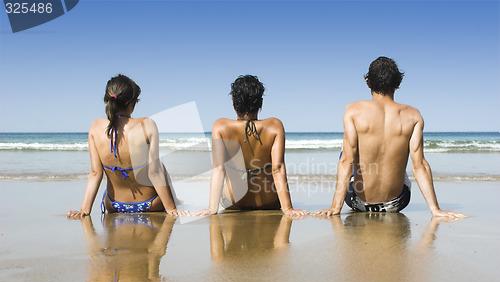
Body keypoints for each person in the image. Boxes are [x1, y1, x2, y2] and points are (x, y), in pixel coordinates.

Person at [313, 57, 466, 218]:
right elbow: (419, 165)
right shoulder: (413, 115)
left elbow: (347, 161)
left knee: (345, 151)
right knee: (400, 152)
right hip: (397, 203)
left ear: (368, 82)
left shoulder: (353, 110)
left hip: (358, 202)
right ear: (398, 82)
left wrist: (335, 207)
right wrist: (435, 210)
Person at [67, 74, 184, 218]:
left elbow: (96, 173)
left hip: (114, 205)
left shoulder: (95, 127)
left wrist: (84, 210)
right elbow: (154, 173)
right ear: (132, 103)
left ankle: (173, 201)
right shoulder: (147, 124)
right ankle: (175, 200)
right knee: (158, 164)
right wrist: (171, 208)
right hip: (150, 204)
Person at [194, 75, 307, 217]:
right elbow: (277, 169)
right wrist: (288, 208)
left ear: (234, 102)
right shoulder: (274, 125)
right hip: (269, 201)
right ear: (260, 102)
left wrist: (212, 208)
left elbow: (218, 169)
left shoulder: (221, 126)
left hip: (235, 201)